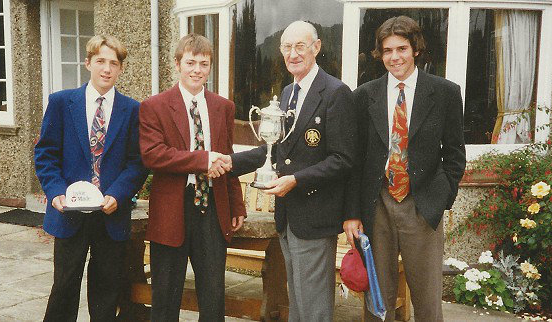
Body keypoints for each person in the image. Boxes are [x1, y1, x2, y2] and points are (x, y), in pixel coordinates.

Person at [230, 21, 357, 322]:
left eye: (300, 46)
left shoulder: (336, 92)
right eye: (287, 47)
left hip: (314, 216)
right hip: (288, 217)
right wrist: (229, 162)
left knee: (313, 308)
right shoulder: (288, 93)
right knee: (299, 303)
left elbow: (343, 159)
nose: (293, 53)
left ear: (316, 48)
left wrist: (296, 180)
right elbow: (275, 151)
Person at [343, 16, 466, 322]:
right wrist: (351, 213)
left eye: (401, 48)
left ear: (415, 49)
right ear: (379, 54)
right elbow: (354, 162)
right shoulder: (364, 96)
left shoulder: (445, 93)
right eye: (387, 50)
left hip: (421, 206)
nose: (394, 57)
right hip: (377, 204)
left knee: (426, 303)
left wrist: (441, 198)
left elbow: (454, 154)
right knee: (377, 303)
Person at [34, 34, 149, 321]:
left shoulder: (132, 109)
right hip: (69, 212)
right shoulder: (62, 103)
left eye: (113, 63)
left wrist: (118, 195)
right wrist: (57, 192)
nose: (106, 69)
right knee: (64, 285)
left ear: (121, 69)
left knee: (107, 288)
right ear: (88, 63)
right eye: (100, 61)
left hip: (110, 213)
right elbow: (46, 154)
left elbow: (137, 163)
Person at [138, 33, 246, 321]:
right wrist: (202, 160)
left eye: (204, 63)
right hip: (173, 208)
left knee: (213, 293)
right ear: (177, 64)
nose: (197, 70)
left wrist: (237, 205)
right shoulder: (154, 106)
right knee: (166, 292)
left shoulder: (223, 107)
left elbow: (228, 157)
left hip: (212, 206)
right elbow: (154, 155)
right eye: (190, 63)